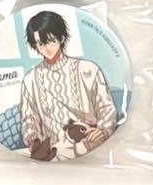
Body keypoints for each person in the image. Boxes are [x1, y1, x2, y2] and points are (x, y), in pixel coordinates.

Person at [20, 10, 117, 161]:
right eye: (41, 43)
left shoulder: (87, 69)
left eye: (51, 40)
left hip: (87, 145)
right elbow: (29, 119)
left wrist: (103, 130)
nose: (47, 48)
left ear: (62, 38)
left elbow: (106, 109)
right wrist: (33, 141)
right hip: (50, 151)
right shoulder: (30, 80)